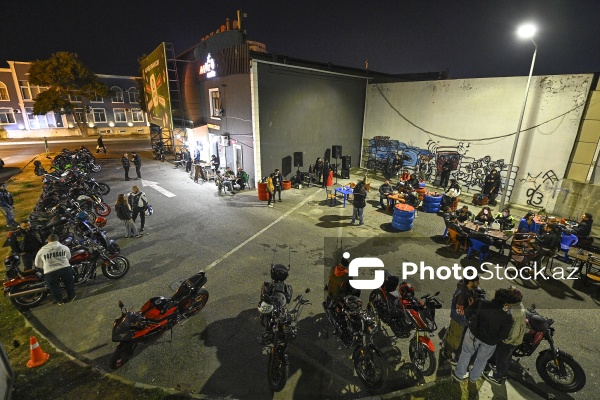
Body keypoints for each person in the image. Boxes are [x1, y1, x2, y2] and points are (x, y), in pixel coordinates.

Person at [452, 288, 513, 397]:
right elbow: (504, 335)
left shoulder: (480, 302)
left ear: (495, 295)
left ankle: (459, 374)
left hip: (473, 334)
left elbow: (467, 313)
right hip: (490, 342)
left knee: (466, 353)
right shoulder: (507, 317)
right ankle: (474, 378)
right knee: (482, 360)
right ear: (506, 302)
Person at [485, 287, 526, 386]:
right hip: (515, 340)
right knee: (506, 358)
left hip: (509, 342)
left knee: (502, 358)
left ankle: (498, 377)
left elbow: (513, 331)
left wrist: (504, 340)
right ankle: (501, 371)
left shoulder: (513, 313)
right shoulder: (519, 306)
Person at [442, 276, 480, 365]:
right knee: (455, 338)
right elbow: (459, 311)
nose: (478, 283)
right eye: (477, 281)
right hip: (458, 320)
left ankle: (446, 343)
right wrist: (471, 306)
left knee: (452, 333)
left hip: (460, 319)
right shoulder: (462, 294)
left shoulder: (468, 289)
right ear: (470, 282)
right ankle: (447, 353)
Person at [34, 233, 76, 305]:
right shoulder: (64, 247)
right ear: (58, 239)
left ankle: (59, 301)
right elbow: (68, 257)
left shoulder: (41, 251)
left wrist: (45, 266)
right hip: (65, 268)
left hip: (50, 271)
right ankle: (71, 297)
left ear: (48, 240)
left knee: (54, 287)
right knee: (69, 284)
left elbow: (37, 264)